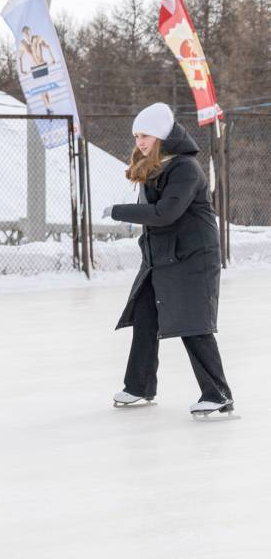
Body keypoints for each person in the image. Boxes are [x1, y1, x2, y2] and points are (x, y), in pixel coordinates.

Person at [102, 102, 233, 418]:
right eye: (136, 136)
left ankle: (217, 394)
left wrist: (119, 210)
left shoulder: (185, 168)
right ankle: (139, 386)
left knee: (193, 324)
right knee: (145, 317)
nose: (140, 142)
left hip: (192, 258)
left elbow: (166, 213)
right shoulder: (157, 166)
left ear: (161, 134)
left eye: (145, 135)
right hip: (162, 258)